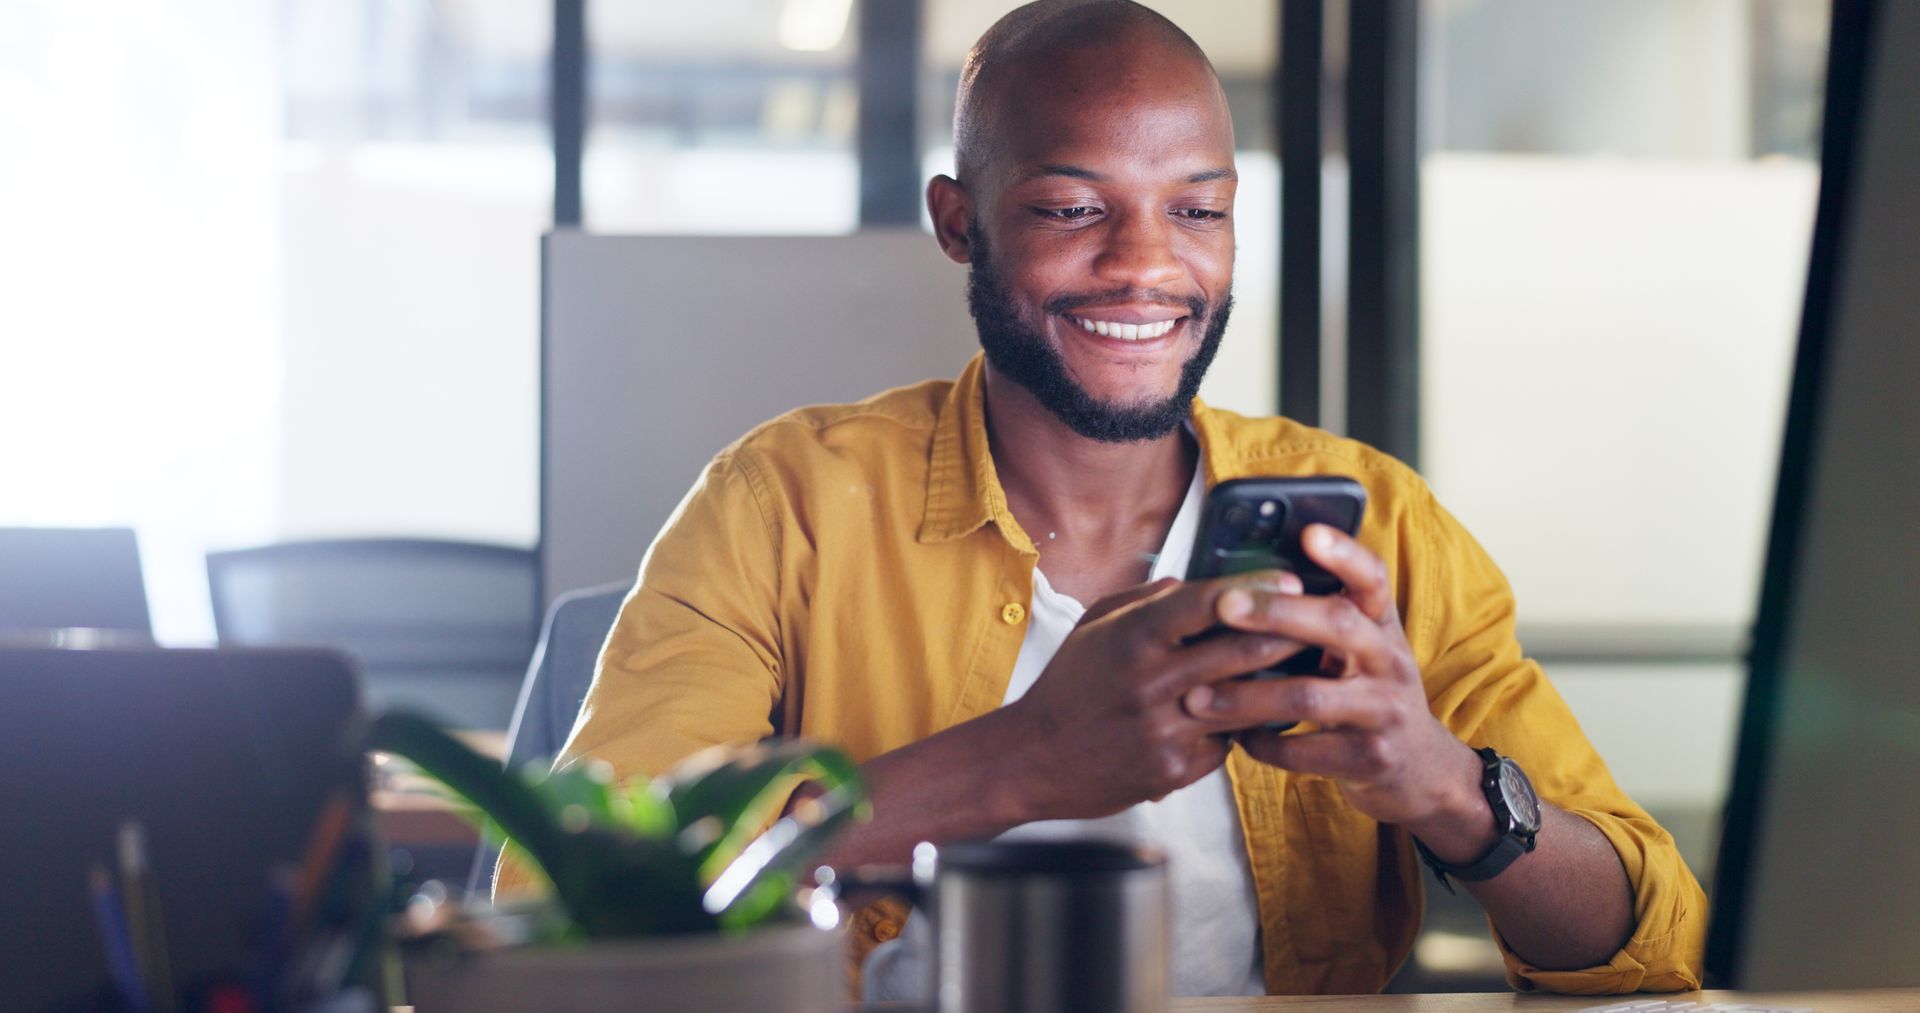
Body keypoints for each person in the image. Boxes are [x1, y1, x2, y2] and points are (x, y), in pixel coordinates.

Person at [498, 0, 1706, 996]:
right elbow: (568, 904)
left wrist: (1444, 784)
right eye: (1073, 208)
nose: (1145, 263)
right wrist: (1021, 760)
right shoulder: (785, 502)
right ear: (960, 223)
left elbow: (1648, 947)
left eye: (1198, 209)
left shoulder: (1380, 524)